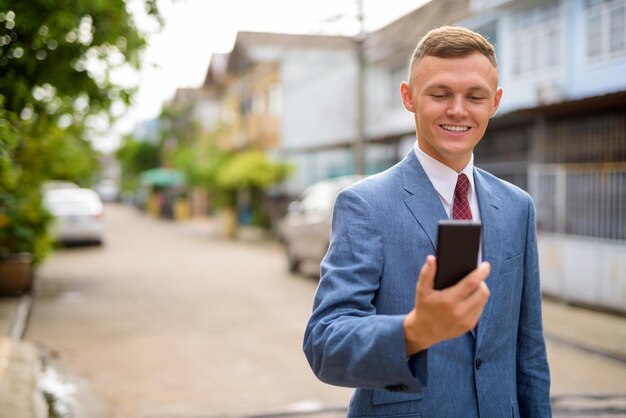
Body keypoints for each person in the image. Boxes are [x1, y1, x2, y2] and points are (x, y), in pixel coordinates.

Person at [303, 26, 551, 417]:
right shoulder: (365, 204)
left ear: (495, 102)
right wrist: (414, 331)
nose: (457, 110)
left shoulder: (518, 207)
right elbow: (324, 343)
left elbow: (530, 351)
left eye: (475, 96)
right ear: (409, 97)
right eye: (439, 94)